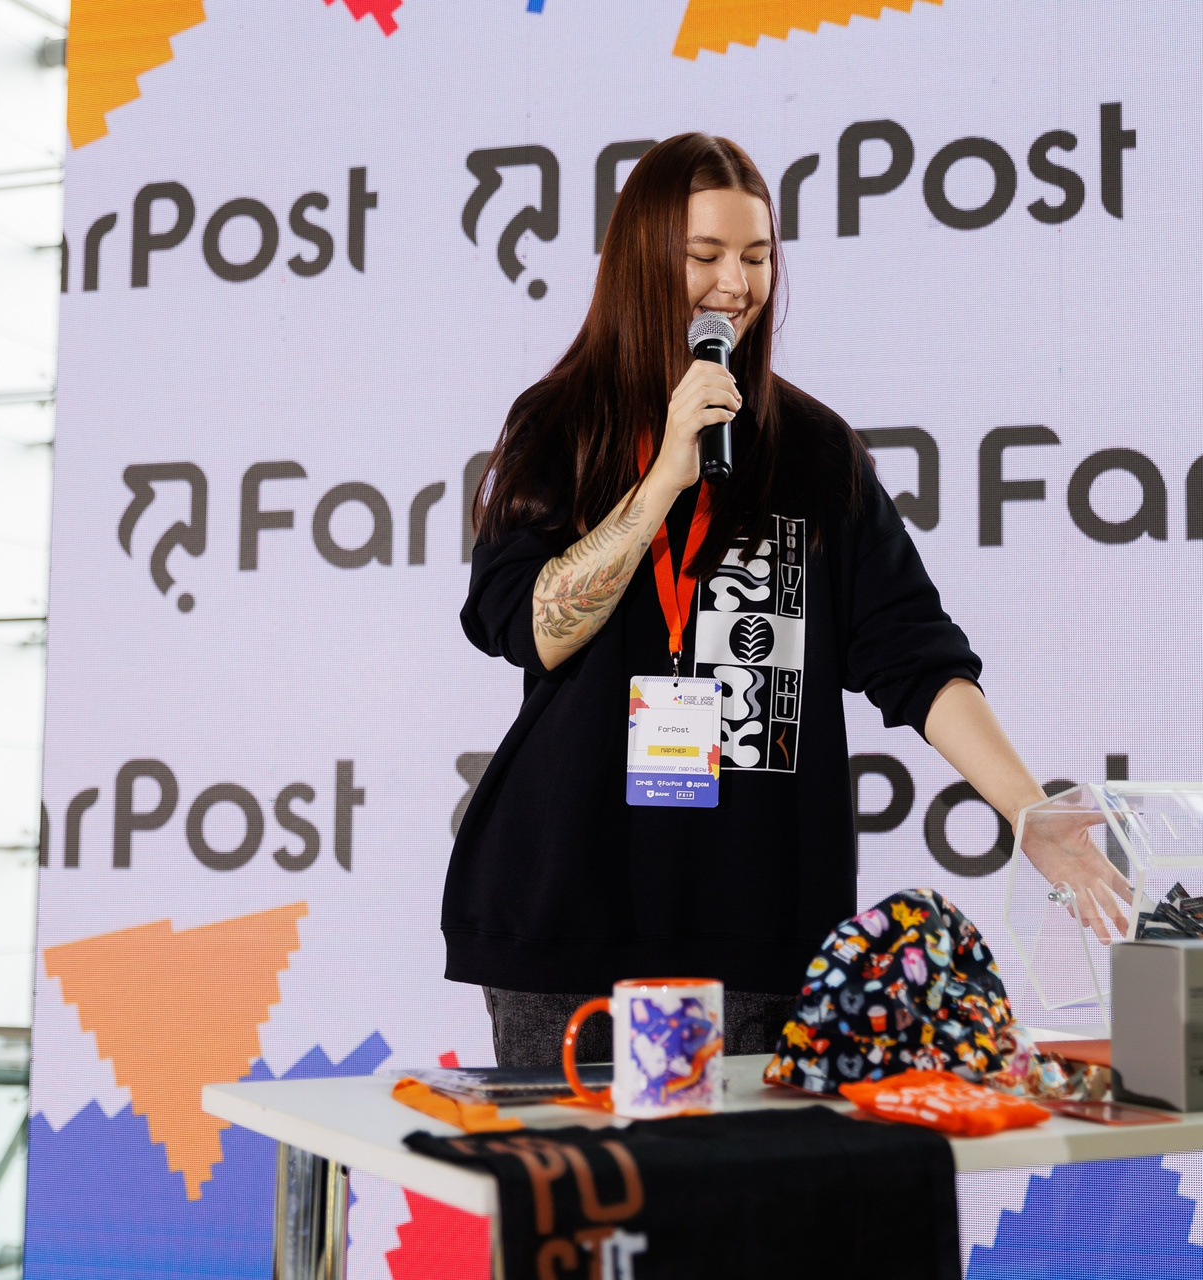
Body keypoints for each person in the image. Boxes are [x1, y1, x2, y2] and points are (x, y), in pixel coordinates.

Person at [446, 132, 1130, 1068]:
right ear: (644, 261)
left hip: (755, 919)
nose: (735, 285)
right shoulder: (562, 424)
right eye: (705, 256)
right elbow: (530, 627)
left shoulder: (815, 450)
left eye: (757, 257)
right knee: (582, 1170)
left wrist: (1027, 810)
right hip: (572, 915)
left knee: (750, 1166)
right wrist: (663, 480)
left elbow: (915, 653)